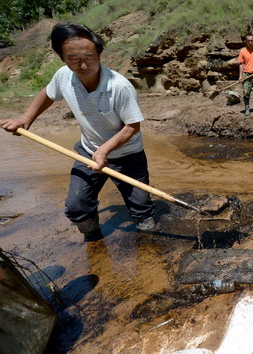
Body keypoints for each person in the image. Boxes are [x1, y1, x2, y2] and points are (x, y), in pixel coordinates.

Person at [0, 23, 155, 241]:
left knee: (141, 208)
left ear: (99, 54)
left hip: (127, 155)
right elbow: (48, 93)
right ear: (62, 58)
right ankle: (93, 243)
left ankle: (149, 239)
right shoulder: (64, 76)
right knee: (76, 205)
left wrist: (105, 151)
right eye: (73, 58)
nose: (83, 65)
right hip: (88, 152)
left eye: (89, 57)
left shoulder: (119, 87)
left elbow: (132, 127)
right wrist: (25, 119)